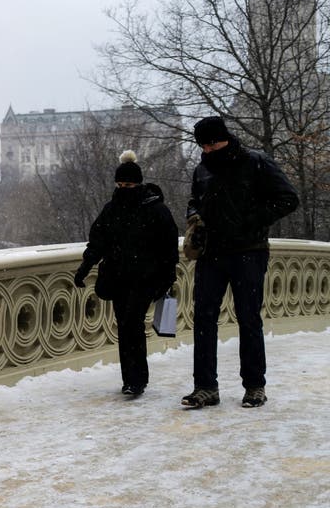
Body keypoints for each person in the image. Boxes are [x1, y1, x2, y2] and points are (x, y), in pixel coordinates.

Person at [182, 116, 299, 409]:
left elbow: (287, 199)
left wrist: (250, 222)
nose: (207, 150)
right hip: (211, 253)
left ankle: (255, 386)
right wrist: (195, 219)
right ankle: (205, 386)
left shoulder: (256, 162)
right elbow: (193, 201)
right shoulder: (202, 169)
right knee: (204, 320)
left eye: (211, 143)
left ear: (224, 137)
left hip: (249, 250)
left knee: (248, 319)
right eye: (203, 145)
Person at [74, 151, 179, 397]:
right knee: (125, 326)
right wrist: (84, 268)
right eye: (120, 185)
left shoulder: (155, 210)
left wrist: (167, 276)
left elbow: (168, 247)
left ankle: (137, 379)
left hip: (145, 279)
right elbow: (97, 242)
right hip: (118, 277)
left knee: (131, 323)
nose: (124, 188)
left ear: (138, 184)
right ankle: (131, 379)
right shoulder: (112, 209)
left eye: (128, 185)